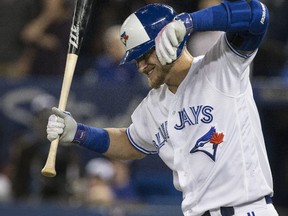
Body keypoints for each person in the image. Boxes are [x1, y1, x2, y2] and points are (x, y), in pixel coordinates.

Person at [46, 1, 279, 215]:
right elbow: (130, 143)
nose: (140, 67)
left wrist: (188, 22)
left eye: (145, 55)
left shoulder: (221, 65)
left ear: (172, 40)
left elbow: (257, 14)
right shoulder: (153, 105)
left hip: (246, 210)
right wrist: (79, 133)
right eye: (136, 60)